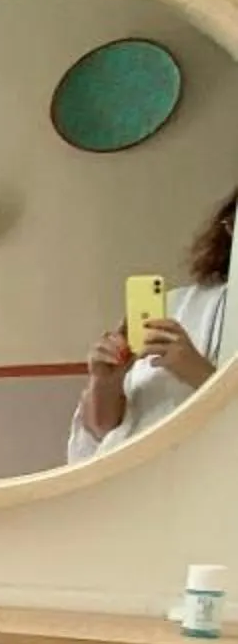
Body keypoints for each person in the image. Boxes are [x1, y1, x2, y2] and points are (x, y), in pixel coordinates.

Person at [70, 182, 236, 462]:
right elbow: (100, 433)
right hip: (139, 483)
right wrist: (105, 383)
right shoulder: (173, 306)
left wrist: (201, 375)